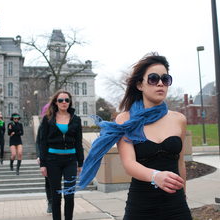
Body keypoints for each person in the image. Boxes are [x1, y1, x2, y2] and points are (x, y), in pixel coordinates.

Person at [68, 52, 192, 219]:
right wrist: (156, 176)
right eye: (154, 78)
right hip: (141, 206)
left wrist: (183, 195)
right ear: (139, 85)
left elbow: (181, 163)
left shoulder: (179, 119)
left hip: (176, 206)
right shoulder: (125, 119)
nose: (161, 83)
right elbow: (129, 164)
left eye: (166, 79)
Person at [39, 90, 84, 220]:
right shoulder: (48, 119)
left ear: (70, 102)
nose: (64, 102)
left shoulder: (76, 119)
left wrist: (80, 163)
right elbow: (43, 142)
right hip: (52, 160)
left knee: (69, 195)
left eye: (66, 100)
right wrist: (43, 163)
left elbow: (78, 142)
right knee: (56, 196)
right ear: (56, 102)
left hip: (70, 160)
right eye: (61, 100)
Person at [36, 103, 52, 213]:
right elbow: (38, 142)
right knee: (48, 180)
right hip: (47, 156)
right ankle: (50, 201)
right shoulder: (42, 125)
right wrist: (39, 156)